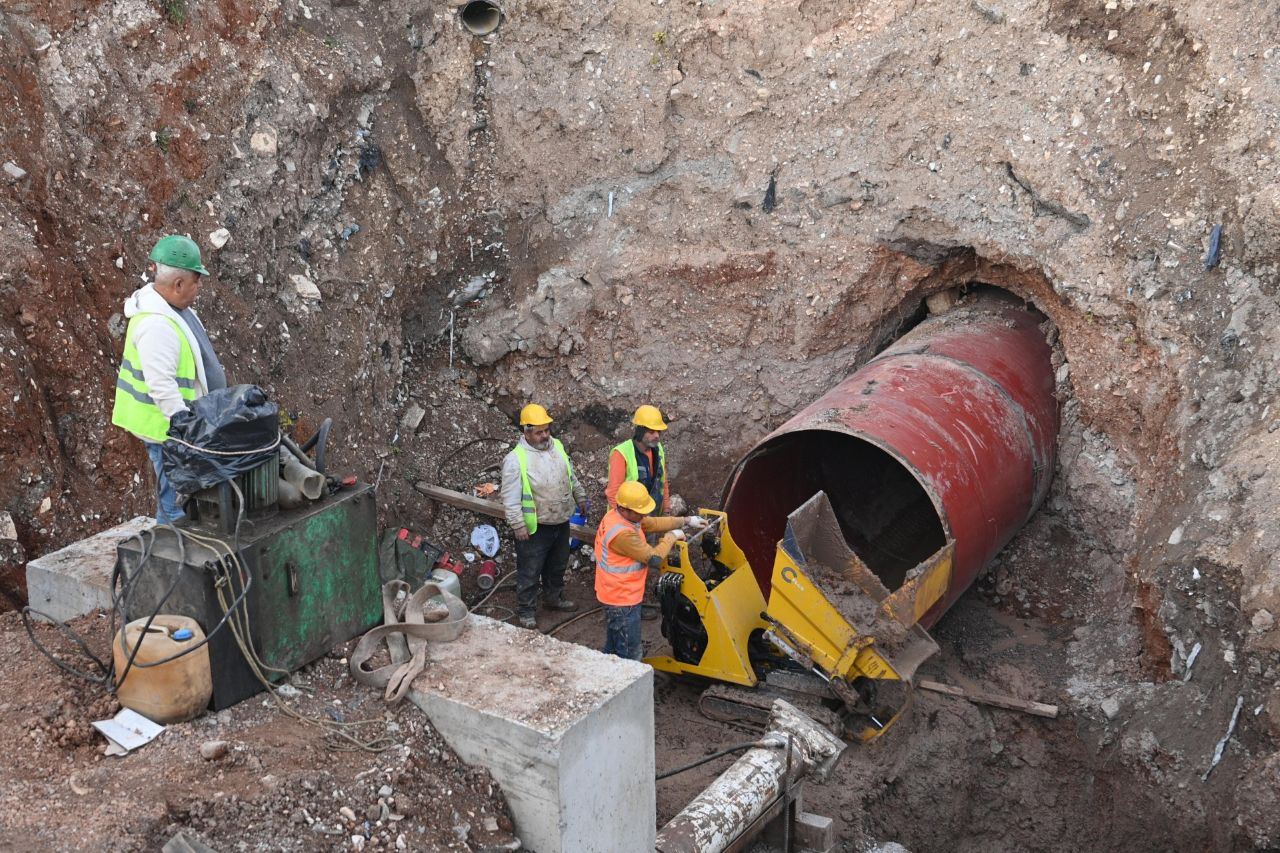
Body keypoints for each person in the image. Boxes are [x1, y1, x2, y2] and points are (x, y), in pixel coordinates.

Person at [111, 235, 226, 524]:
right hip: (166, 431)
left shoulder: (175, 311)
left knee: (180, 496)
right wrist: (184, 427)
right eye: (196, 281)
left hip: (177, 429)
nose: (198, 288)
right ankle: (170, 547)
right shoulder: (156, 325)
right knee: (174, 502)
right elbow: (161, 384)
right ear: (178, 284)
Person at [594, 481, 707, 660]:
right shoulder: (622, 534)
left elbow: (651, 522)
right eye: (640, 511)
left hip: (618, 593)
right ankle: (628, 680)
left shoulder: (619, 517)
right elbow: (654, 558)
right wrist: (671, 537)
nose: (644, 514)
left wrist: (685, 521)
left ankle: (607, 667)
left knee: (615, 642)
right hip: (621, 598)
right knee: (630, 653)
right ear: (625, 509)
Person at [500, 403, 588, 629]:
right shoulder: (515, 459)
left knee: (558, 564)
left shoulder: (556, 446)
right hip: (535, 527)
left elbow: (571, 476)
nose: (545, 436)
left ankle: (553, 598)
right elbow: (510, 498)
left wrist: (581, 498)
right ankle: (526, 610)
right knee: (530, 569)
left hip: (561, 520)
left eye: (547, 430)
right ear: (526, 432)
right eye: (539, 432)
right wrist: (518, 524)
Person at [605, 404, 670, 513]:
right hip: (630, 519)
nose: (657, 436)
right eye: (651, 431)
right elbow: (613, 494)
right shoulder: (622, 453)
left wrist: (666, 509)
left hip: (652, 518)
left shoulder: (658, 449)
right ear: (640, 431)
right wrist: (625, 521)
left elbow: (663, 482)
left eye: (658, 432)